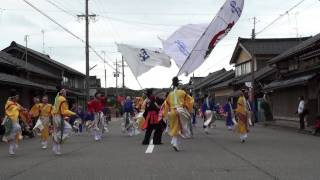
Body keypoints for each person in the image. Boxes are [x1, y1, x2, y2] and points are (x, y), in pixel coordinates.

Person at [162, 77, 194, 151]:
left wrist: (165, 114)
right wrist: (187, 106)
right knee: (181, 127)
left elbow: (166, 104)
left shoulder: (170, 94)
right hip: (180, 111)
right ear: (178, 84)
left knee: (176, 127)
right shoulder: (182, 92)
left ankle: (174, 141)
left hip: (172, 112)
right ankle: (175, 143)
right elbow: (190, 100)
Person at [52, 86, 76, 155]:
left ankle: (56, 148)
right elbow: (64, 111)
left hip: (56, 117)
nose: (66, 92)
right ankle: (56, 141)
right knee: (68, 128)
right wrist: (73, 113)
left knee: (59, 132)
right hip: (58, 117)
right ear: (61, 92)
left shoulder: (57, 98)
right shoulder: (62, 99)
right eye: (64, 91)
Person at [2, 89, 25, 155]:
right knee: (18, 128)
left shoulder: (16, 104)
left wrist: (23, 109)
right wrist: (17, 108)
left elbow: (20, 108)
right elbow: (8, 110)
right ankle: (9, 137)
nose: (18, 98)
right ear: (14, 97)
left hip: (15, 120)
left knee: (14, 135)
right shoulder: (9, 103)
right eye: (17, 96)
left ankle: (11, 149)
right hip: (9, 120)